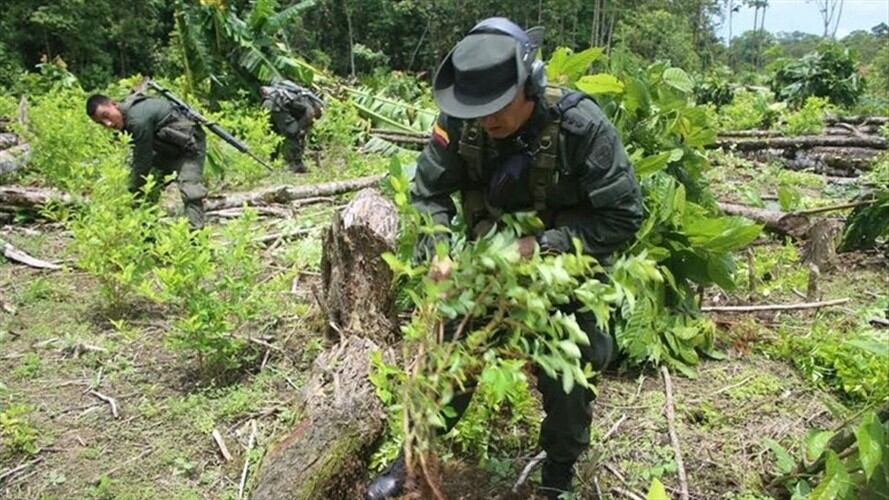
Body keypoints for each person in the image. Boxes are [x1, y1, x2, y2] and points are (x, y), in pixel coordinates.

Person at [366, 17, 643, 500]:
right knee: (448, 350)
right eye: (477, 110)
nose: (486, 121)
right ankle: (413, 460)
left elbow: (623, 218)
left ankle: (558, 471)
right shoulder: (461, 119)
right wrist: (440, 249)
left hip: (566, 272)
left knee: (570, 368)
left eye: (497, 107)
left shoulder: (582, 129)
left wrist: (542, 246)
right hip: (488, 268)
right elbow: (429, 192)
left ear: (530, 85)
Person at [86, 93, 208, 229]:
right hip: (166, 149)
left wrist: (134, 191)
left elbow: (142, 160)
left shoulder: (137, 119)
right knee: (149, 189)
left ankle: (197, 241)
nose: (107, 124)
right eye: (100, 123)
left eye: (106, 116)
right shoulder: (125, 119)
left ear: (114, 104)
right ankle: (147, 238)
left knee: (190, 191)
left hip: (190, 147)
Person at [260, 80, 324, 173]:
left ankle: (271, 161)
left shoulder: (303, 99)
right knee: (294, 133)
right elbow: (305, 121)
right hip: (277, 106)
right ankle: (295, 166)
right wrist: (301, 130)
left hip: (268, 103)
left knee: (274, 134)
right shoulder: (311, 108)